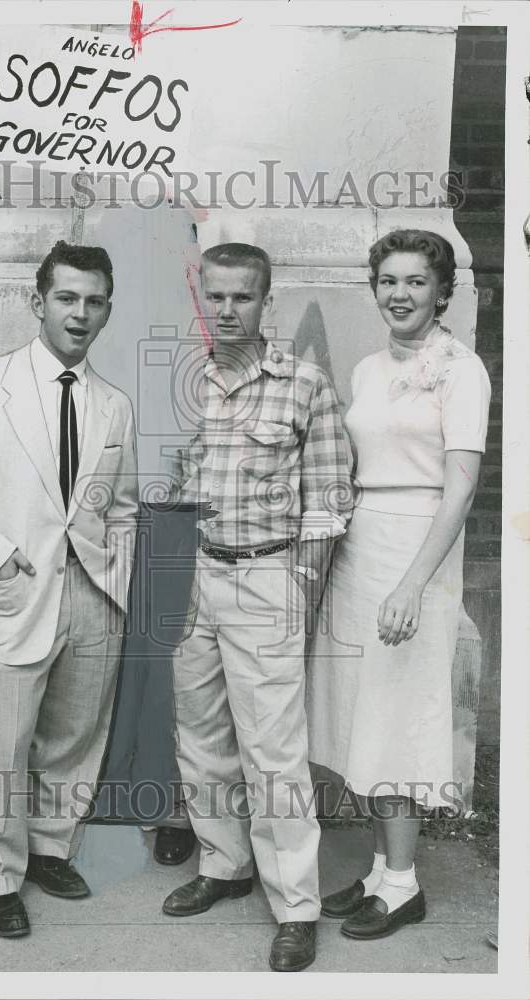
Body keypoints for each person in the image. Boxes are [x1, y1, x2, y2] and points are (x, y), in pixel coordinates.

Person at [0, 240, 138, 939]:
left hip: (92, 598)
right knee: (4, 745)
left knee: (75, 735)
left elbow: (121, 505)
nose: (80, 313)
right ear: (37, 302)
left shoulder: (115, 405)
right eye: (67, 298)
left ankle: (48, 846)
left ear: (108, 310)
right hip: (14, 590)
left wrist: (113, 575)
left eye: (94, 301)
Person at [163, 243, 354, 972]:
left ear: (265, 303)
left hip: (267, 579)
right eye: (215, 296)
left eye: (243, 297)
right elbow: (180, 480)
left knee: (273, 751)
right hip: (201, 574)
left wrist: (297, 590)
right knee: (203, 733)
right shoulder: (192, 385)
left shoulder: (305, 385)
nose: (227, 309)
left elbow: (332, 503)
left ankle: (296, 904)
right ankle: (223, 864)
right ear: (202, 298)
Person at [306, 229, 491, 940]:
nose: (400, 294)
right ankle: (384, 872)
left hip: (419, 545)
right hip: (361, 542)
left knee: (398, 715)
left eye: (416, 281)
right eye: (388, 281)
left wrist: (415, 583)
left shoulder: (462, 370)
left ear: (441, 291)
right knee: (362, 713)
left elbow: (462, 487)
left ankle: (405, 883)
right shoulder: (366, 369)